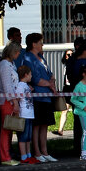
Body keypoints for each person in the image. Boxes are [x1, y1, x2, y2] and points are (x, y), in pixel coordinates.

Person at [17, 33, 56, 162]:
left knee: (45, 124)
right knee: (37, 125)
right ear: (33, 44)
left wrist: (52, 80)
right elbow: (35, 78)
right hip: (37, 96)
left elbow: (48, 73)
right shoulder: (28, 58)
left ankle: (45, 151)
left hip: (47, 96)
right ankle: (37, 152)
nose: (42, 45)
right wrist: (49, 84)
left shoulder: (41, 57)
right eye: (40, 42)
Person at [0, 41, 22, 165]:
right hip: (7, 101)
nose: (18, 55)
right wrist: (14, 102)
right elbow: (7, 86)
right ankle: (4, 157)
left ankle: (7, 154)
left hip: (11, 101)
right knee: (6, 129)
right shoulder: (5, 65)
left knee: (9, 129)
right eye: (17, 52)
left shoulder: (10, 64)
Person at [13, 64, 36, 164]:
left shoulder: (26, 86)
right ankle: (23, 156)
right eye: (30, 74)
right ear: (26, 75)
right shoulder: (20, 86)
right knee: (23, 136)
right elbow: (17, 99)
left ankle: (28, 155)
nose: (31, 76)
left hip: (30, 114)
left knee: (28, 137)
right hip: (23, 114)